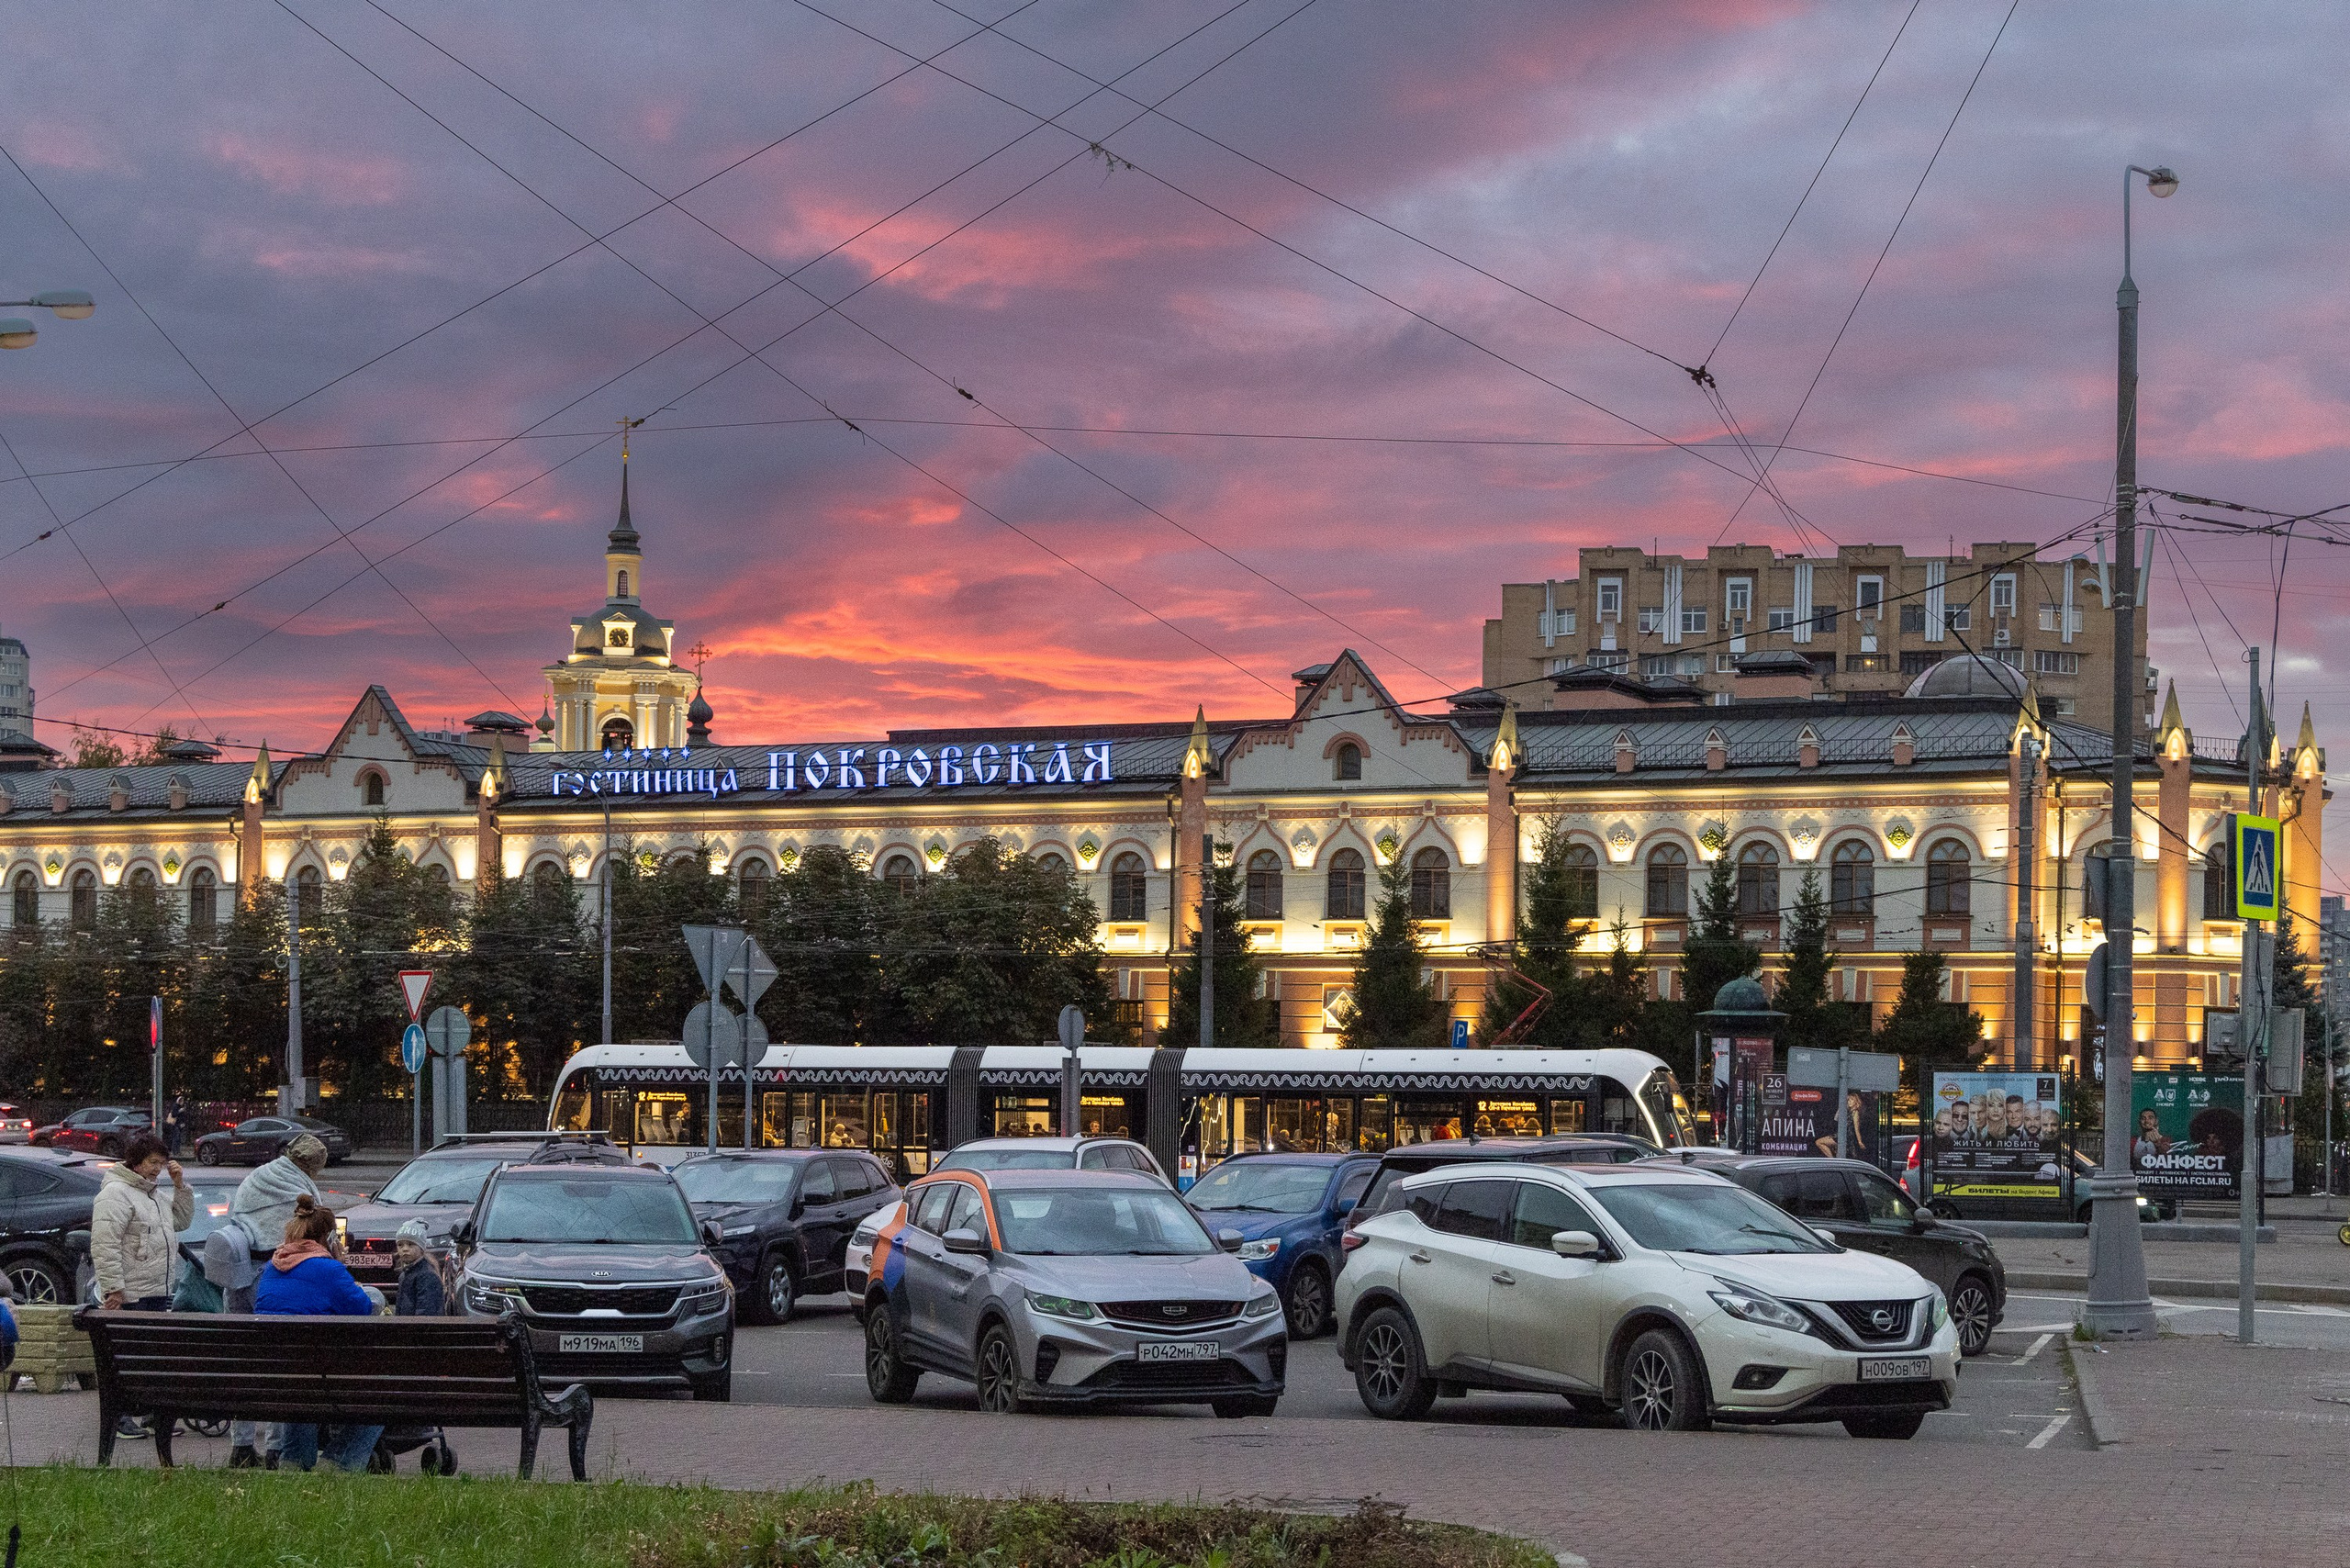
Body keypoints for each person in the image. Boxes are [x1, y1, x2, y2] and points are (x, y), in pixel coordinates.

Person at [221, 1130, 328, 1468]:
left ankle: (241, 1447)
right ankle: (276, 1449)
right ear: (310, 1166)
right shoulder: (300, 1188)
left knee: (243, 1364)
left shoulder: (255, 1178)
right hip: (275, 1276)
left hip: (236, 1275)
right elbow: (309, 1240)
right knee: (280, 1364)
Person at [255, 1194, 383, 1473]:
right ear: (328, 1237)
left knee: (301, 1384)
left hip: (274, 1374)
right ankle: (340, 1462)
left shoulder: (272, 1267)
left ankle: (294, 1460)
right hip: (323, 1374)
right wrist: (340, 1268)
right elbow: (362, 1308)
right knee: (384, 1395)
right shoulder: (328, 1269)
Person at [90, 1132, 194, 1439]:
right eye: (152, 1163)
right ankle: (121, 1417)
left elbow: (181, 1222)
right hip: (131, 1290)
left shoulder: (152, 1194)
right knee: (127, 1356)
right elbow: (105, 1245)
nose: (156, 1169)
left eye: (161, 1164)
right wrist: (113, 1289)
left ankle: (151, 1413)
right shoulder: (116, 1193)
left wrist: (179, 1186)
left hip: (156, 1289)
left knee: (151, 1355)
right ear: (134, 1160)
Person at [392, 1219, 446, 1317]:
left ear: (421, 1248)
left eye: (410, 1244)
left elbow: (427, 1313)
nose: (405, 1249)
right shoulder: (405, 1274)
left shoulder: (427, 1276)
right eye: (400, 1245)